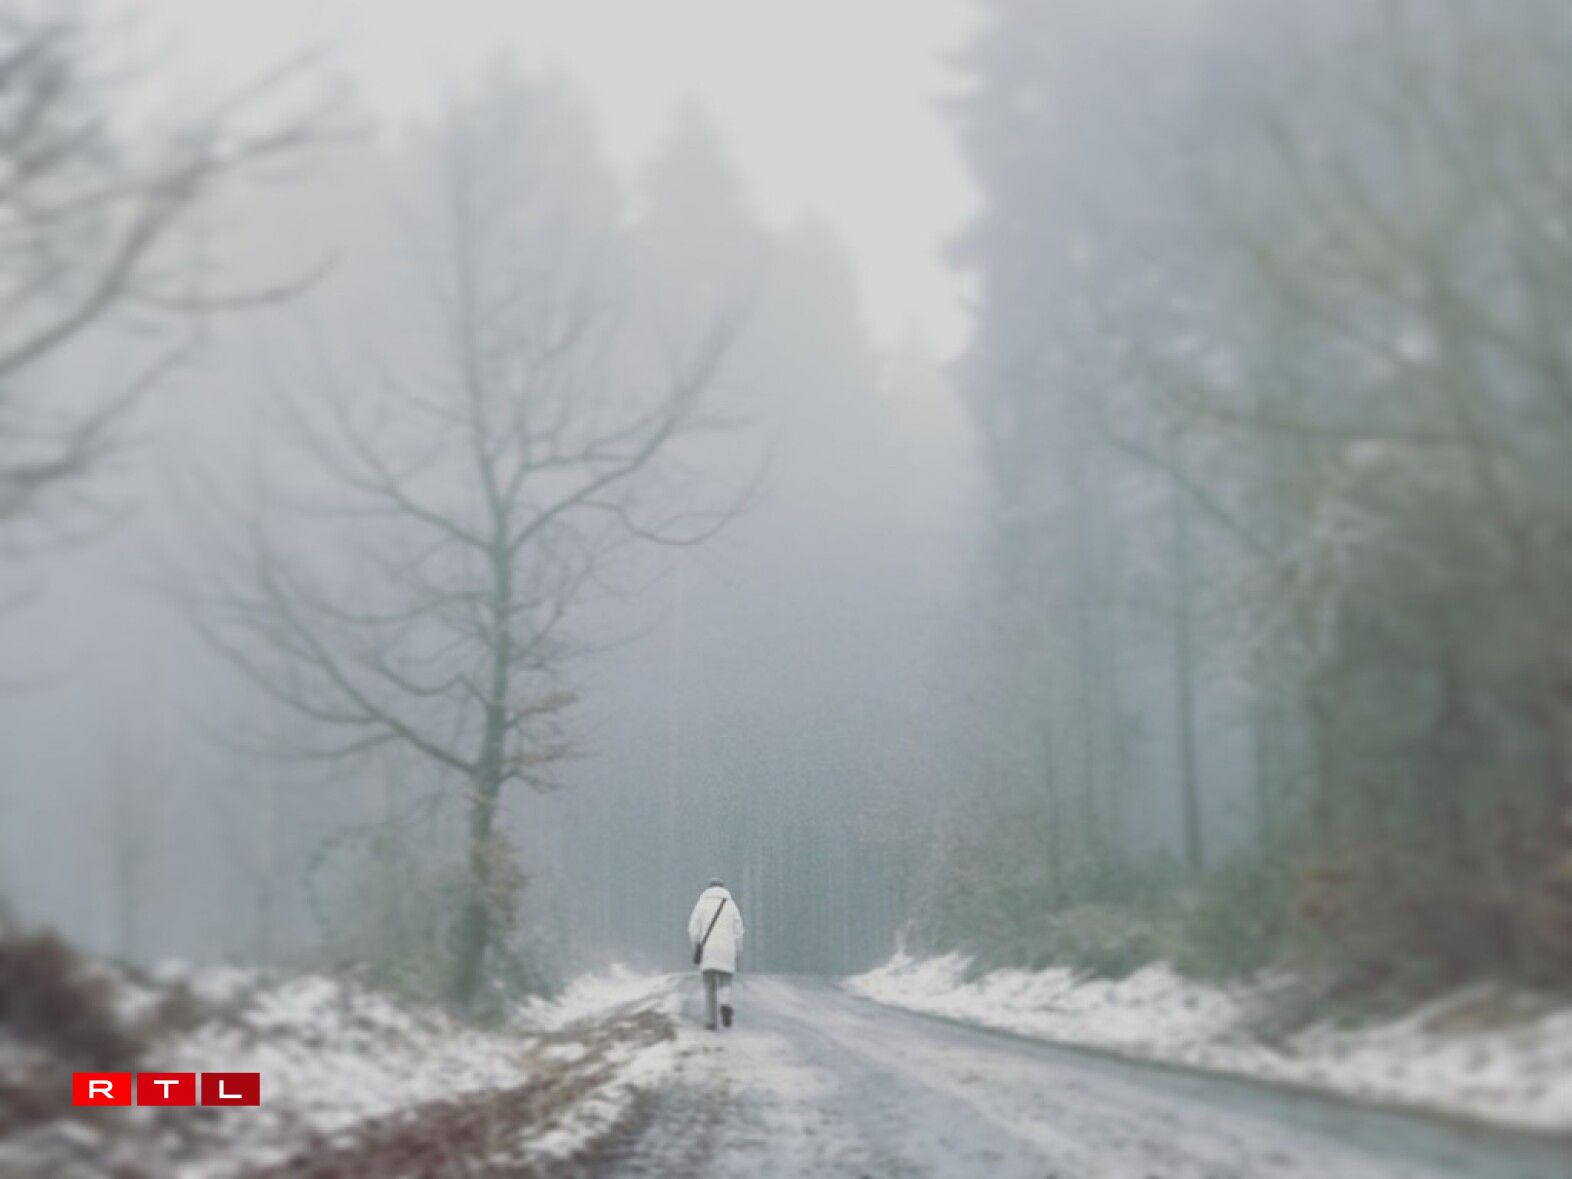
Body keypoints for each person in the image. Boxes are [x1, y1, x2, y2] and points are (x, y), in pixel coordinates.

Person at [687, 877, 744, 1030]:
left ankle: (711, 1021)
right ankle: (725, 1004)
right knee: (725, 981)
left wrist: (696, 946)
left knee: (709, 986)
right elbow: (738, 932)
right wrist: (737, 950)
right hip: (727, 950)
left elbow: (693, 929)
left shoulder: (702, 904)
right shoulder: (731, 905)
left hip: (708, 951)